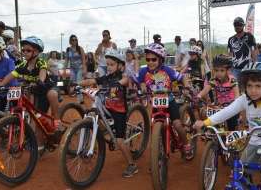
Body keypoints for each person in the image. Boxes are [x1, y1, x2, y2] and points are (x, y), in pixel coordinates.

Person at [195, 62, 261, 189]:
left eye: (258, 86)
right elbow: (227, 111)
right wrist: (206, 123)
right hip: (253, 140)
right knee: (241, 173)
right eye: (249, 86)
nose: (253, 90)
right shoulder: (245, 99)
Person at [71, 49, 139, 177]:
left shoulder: (121, 77)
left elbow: (125, 80)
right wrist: (77, 83)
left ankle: (132, 165)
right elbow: (91, 81)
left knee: (119, 142)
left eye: (112, 64)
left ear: (120, 66)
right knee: (91, 114)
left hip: (119, 111)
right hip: (108, 109)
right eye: (107, 64)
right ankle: (103, 131)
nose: (109, 67)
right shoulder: (106, 77)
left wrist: (118, 84)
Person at [0, 36, 62, 161]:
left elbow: (42, 73)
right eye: (23, 49)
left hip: (48, 88)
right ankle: (41, 149)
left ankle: (58, 123)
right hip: (38, 94)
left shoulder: (41, 62)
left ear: (36, 52)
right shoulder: (23, 65)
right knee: (38, 122)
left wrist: (40, 81)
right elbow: (12, 75)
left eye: (28, 50)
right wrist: (0, 85)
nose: (24, 52)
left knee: (51, 95)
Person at [131, 43, 194, 159]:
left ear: (160, 59)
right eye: (148, 59)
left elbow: (183, 77)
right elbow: (132, 79)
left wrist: (185, 87)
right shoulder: (144, 71)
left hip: (169, 101)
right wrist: (133, 89)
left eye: (154, 59)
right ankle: (156, 157)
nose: (150, 62)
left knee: (176, 124)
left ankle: (186, 145)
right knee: (155, 127)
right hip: (156, 103)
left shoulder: (167, 70)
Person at [197, 54, 240, 130]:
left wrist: (236, 102)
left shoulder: (232, 80)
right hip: (219, 105)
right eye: (216, 70)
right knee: (203, 112)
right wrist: (199, 96)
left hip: (231, 106)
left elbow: (236, 93)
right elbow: (206, 90)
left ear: (228, 70)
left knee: (232, 128)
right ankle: (212, 131)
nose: (218, 73)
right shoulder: (214, 79)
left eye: (222, 70)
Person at [228, 17, 258, 90]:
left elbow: (254, 52)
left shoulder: (249, 37)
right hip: (234, 69)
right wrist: (228, 68)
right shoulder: (231, 39)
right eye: (235, 25)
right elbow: (229, 54)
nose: (237, 26)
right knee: (235, 89)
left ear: (243, 25)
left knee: (246, 89)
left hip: (247, 68)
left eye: (239, 24)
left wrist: (254, 67)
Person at [63, 35, 86, 103]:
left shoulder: (80, 48)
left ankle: (79, 99)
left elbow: (83, 59)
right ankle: (80, 98)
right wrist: (64, 70)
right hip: (72, 69)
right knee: (75, 83)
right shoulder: (68, 49)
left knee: (78, 83)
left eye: (75, 39)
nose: (74, 41)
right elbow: (66, 60)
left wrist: (84, 69)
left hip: (80, 68)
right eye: (73, 40)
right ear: (70, 41)